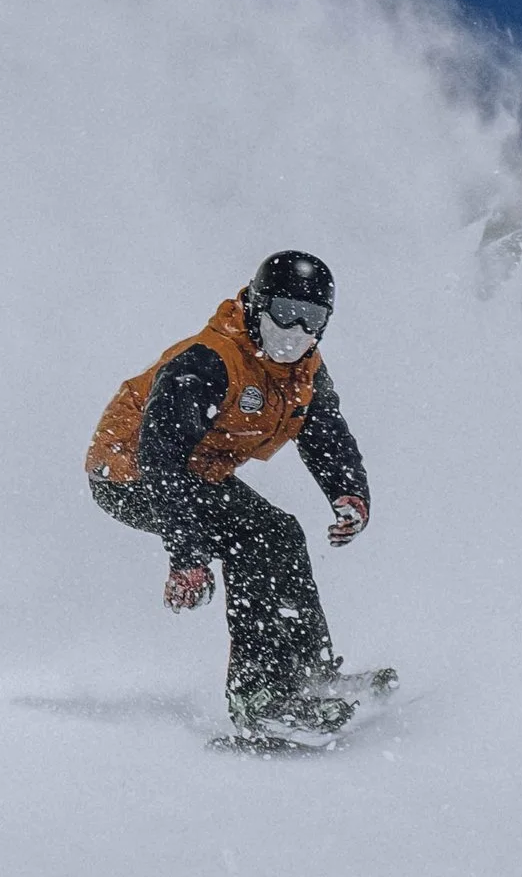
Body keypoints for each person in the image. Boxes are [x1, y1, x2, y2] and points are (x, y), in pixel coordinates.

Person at [85, 249, 370, 735]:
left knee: (281, 532)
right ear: (258, 305)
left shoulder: (304, 372)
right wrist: (186, 556)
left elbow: (325, 432)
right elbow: (162, 460)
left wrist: (350, 493)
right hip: (130, 472)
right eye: (285, 313)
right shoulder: (208, 362)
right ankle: (259, 696)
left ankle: (311, 671)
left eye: (312, 319)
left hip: (197, 469)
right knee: (255, 541)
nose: (296, 331)